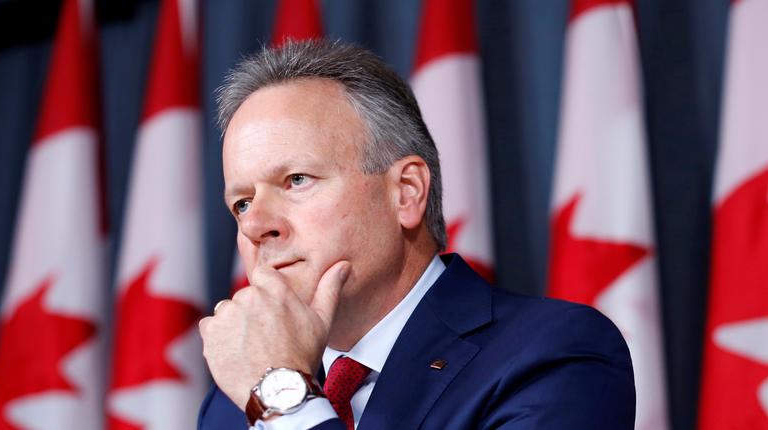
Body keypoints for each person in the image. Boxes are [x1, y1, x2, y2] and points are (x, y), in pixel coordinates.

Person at [197, 39, 635, 429]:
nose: (254, 226)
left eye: (296, 180)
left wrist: (286, 402)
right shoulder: (234, 404)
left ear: (406, 193)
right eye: (242, 203)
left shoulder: (555, 356)